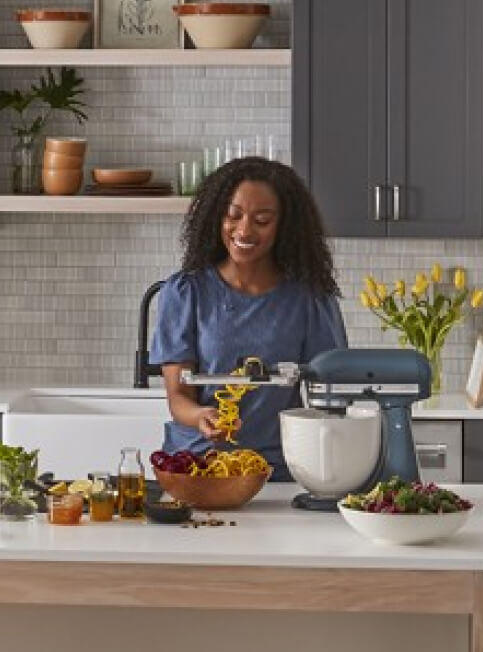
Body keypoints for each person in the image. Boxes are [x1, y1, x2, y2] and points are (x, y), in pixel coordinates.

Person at [148, 157, 349, 475]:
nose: (244, 230)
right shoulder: (185, 292)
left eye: (262, 220)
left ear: (285, 225)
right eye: (233, 216)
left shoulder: (310, 299)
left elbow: (331, 390)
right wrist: (201, 416)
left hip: (276, 467)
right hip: (197, 465)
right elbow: (179, 396)